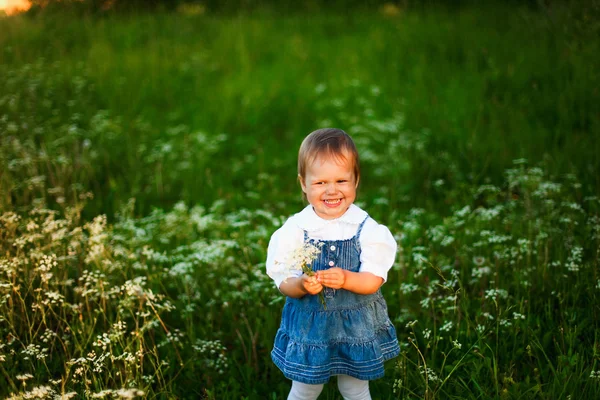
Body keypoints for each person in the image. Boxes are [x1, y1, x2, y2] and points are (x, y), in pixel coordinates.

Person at [266, 128, 400, 400]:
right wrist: (301, 285)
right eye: (319, 183)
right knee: (305, 387)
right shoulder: (295, 230)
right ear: (303, 184)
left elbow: (374, 279)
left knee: (354, 387)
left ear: (356, 180)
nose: (331, 190)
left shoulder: (366, 229)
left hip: (355, 327)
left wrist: (348, 279)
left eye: (341, 180)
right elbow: (283, 281)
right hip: (311, 329)